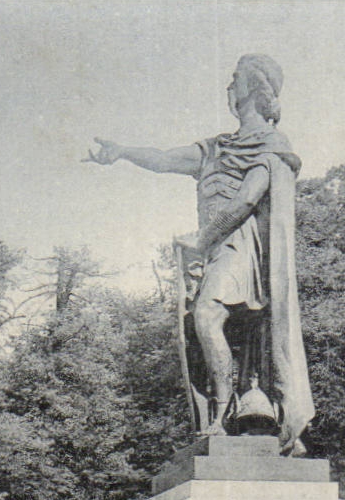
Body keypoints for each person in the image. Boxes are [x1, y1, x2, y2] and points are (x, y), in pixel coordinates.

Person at [87, 54, 313, 452]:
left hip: (242, 249)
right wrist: (122, 152)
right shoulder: (216, 148)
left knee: (207, 314)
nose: (229, 84)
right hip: (216, 252)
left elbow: (245, 202)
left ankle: (222, 415)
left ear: (255, 90)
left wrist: (201, 239)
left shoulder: (273, 144)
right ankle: (227, 415)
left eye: (236, 78)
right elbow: (164, 158)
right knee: (206, 324)